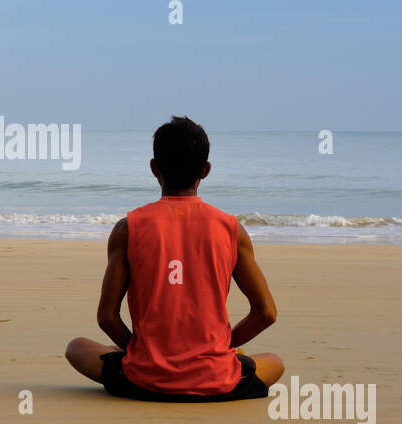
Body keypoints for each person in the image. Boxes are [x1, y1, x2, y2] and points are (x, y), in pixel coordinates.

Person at [65, 116, 283, 401]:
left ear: (154, 168)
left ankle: (144, 359)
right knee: (275, 362)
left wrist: (137, 349)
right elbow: (266, 312)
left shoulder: (128, 228)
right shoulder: (231, 229)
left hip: (144, 380)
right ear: (205, 170)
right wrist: (225, 346)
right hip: (216, 380)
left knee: (76, 347)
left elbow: (107, 317)